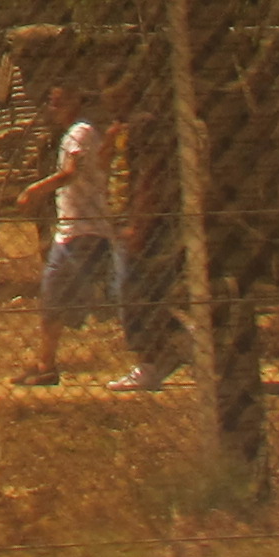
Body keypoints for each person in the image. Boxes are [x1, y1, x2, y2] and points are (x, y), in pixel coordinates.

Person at [12, 79, 118, 386]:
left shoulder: (79, 132)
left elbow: (70, 173)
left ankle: (46, 364)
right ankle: (45, 360)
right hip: (77, 226)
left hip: (81, 229)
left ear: (74, 101)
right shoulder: (81, 133)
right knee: (64, 295)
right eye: (51, 102)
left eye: (58, 102)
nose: (52, 109)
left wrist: (35, 190)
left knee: (53, 294)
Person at [102, 80, 184, 394]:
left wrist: (140, 223)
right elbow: (103, 166)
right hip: (123, 218)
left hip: (142, 223)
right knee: (133, 291)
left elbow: (150, 175)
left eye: (111, 89)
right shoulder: (119, 128)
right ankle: (179, 346)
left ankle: (150, 364)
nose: (106, 97)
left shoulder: (143, 125)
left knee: (133, 292)